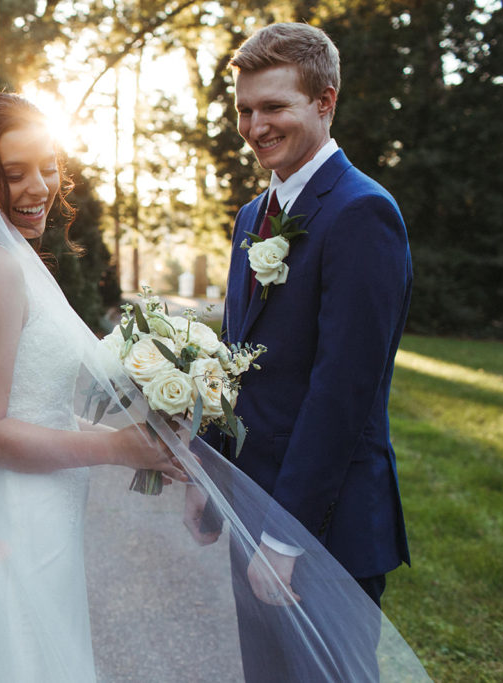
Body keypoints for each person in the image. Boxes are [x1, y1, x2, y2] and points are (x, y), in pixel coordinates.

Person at [0, 92, 185, 682]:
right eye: (14, 173)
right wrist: (117, 450)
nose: (39, 186)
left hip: (39, 530)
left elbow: (34, 407)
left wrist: (144, 441)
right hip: (9, 533)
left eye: (47, 165)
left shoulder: (15, 259)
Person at [198, 22, 413, 681]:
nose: (255, 125)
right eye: (244, 109)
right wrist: (209, 476)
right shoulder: (250, 218)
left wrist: (285, 539)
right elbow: (242, 361)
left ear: (326, 101)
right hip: (251, 510)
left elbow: (340, 392)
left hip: (323, 528)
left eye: (274, 106)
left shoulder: (361, 213)